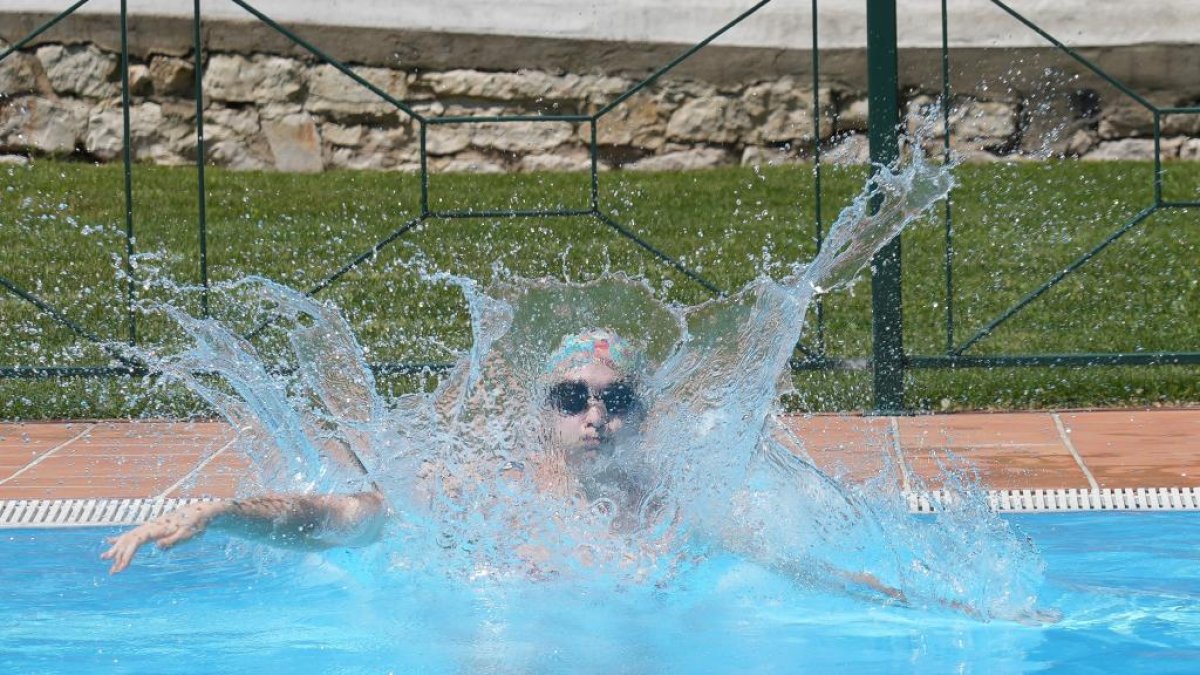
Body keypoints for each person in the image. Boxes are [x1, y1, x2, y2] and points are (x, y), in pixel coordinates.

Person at [102, 329, 646, 574]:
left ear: (638, 415)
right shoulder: (489, 490)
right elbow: (343, 518)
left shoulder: (668, 505)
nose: (595, 418)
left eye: (615, 400)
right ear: (543, 411)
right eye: (572, 398)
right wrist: (221, 513)